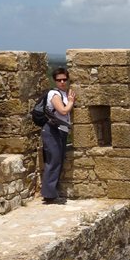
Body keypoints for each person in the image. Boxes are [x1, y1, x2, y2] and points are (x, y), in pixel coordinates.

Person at [41, 67, 75, 204]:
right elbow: (63, 110)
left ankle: (52, 193)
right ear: (54, 81)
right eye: (59, 80)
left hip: (61, 131)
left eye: (64, 79)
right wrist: (71, 102)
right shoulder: (54, 94)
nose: (62, 82)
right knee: (53, 160)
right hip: (52, 131)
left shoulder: (64, 94)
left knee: (58, 160)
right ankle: (49, 195)